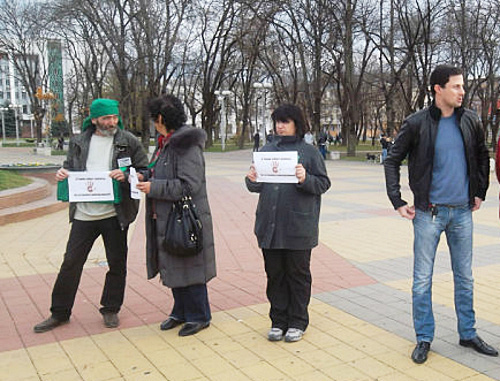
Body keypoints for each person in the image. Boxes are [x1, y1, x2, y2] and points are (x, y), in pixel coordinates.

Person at [384, 65, 497, 364]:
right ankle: (424, 337)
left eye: (462, 87)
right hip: (428, 214)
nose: (462, 92)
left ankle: (468, 333)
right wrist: (397, 200)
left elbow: (482, 158)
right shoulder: (417, 123)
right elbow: (392, 160)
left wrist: (480, 192)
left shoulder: (471, 120)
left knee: (465, 278)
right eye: (456, 87)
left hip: (462, 213)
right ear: (438, 89)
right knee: (422, 280)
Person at [33, 98, 149, 333]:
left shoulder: (128, 141)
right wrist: (63, 173)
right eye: (106, 118)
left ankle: (110, 308)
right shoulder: (78, 141)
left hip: (115, 214)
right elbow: (68, 167)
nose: (112, 122)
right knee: (71, 263)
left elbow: (145, 170)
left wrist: (127, 175)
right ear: (94, 119)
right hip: (84, 215)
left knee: (117, 263)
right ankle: (59, 312)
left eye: (114, 117)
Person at [245, 104, 330, 342]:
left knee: (297, 274)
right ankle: (278, 320)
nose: (280, 126)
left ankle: (297, 321)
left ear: (296, 124)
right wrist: (251, 179)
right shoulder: (267, 150)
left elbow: (323, 184)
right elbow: (257, 185)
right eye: (277, 122)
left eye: (285, 121)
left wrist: (306, 178)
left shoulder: (309, 152)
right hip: (269, 225)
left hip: (298, 227)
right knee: (275, 274)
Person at [136, 94, 216, 337]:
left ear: (160, 118)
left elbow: (189, 185)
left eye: (153, 119)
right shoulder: (165, 142)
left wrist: (154, 188)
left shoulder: (185, 144)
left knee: (190, 264)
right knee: (173, 263)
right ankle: (180, 311)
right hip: (167, 216)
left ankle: (200, 315)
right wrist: (144, 177)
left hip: (185, 218)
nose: (153, 124)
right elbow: (161, 172)